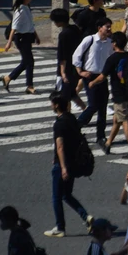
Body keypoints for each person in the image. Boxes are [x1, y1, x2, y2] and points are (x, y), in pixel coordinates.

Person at [42, 91, 93, 237]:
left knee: (57, 197)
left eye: (52, 102)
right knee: (67, 194)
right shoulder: (71, 118)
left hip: (63, 164)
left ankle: (60, 227)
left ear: (57, 105)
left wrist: (62, 167)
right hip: (73, 162)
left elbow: (60, 146)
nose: (51, 105)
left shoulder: (59, 124)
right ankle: (86, 217)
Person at [92, 31, 128, 158]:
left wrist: (92, 83)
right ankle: (108, 144)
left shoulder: (112, 59)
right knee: (117, 119)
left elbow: (103, 76)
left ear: (114, 44)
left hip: (119, 94)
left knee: (124, 120)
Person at [75, 17, 115, 145]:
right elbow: (76, 55)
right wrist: (80, 72)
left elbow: (110, 58)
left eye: (110, 27)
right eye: (107, 27)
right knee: (93, 105)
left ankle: (100, 136)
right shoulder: (90, 39)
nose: (109, 29)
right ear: (99, 28)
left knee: (102, 107)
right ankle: (75, 127)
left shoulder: (109, 42)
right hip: (90, 76)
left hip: (102, 77)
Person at [0, 0, 39, 95]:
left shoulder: (26, 7)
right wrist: (9, 43)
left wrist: (36, 35)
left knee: (27, 62)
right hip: (21, 38)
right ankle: (28, 85)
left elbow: (30, 24)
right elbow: (14, 27)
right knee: (28, 62)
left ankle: (9, 78)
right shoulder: (20, 10)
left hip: (27, 37)